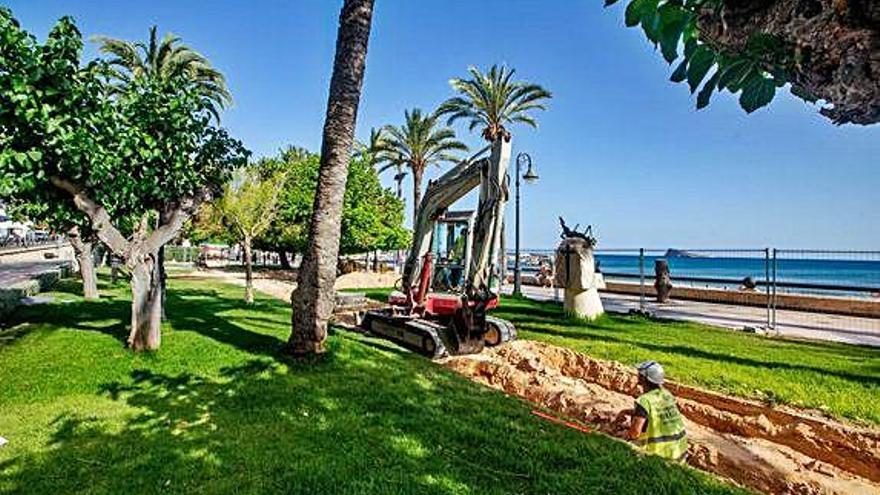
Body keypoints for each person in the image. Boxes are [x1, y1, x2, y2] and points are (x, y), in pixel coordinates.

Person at [619, 361, 688, 462]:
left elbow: (634, 433)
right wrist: (625, 412)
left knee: (627, 448)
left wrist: (623, 435)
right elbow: (655, 413)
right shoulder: (666, 394)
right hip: (679, 451)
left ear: (643, 378)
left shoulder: (645, 400)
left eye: (639, 374)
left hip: (661, 456)